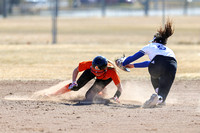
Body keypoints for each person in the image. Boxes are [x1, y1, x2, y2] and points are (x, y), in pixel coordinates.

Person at [117, 18, 177, 108]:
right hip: (173, 65)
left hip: (157, 66)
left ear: (155, 41)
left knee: (154, 76)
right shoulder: (169, 50)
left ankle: (157, 95)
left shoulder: (150, 46)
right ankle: (160, 98)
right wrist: (133, 66)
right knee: (164, 89)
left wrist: (123, 62)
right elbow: (152, 62)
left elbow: (133, 58)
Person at [48, 55, 122, 104]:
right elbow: (76, 70)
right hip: (90, 72)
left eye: (98, 72)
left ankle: (101, 92)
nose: (96, 73)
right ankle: (54, 94)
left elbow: (119, 88)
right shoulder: (89, 64)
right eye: (94, 70)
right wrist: (74, 82)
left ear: (105, 69)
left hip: (104, 79)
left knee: (89, 96)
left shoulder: (112, 72)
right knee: (75, 87)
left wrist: (116, 96)